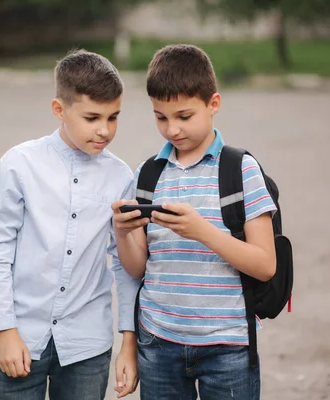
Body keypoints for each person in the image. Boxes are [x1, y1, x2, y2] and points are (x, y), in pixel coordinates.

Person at [112, 44, 278, 400]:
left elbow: (265, 265)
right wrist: (122, 233)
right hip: (158, 342)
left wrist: (202, 231)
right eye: (160, 117)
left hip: (227, 345)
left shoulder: (241, 170)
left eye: (184, 116)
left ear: (213, 104)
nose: (172, 129)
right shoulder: (148, 175)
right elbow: (137, 268)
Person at [0, 49, 141, 400]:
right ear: (59, 110)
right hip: (21, 337)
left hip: (87, 345)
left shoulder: (120, 176)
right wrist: (4, 329)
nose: (104, 130)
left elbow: (126, 268)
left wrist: (128, 340)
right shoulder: (19, 165)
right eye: (92, 117)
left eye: (114, 117)